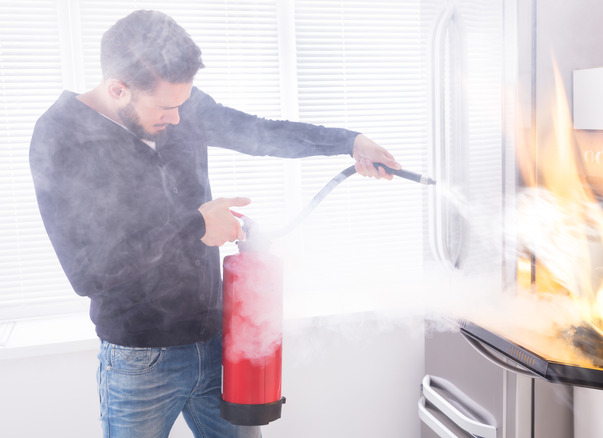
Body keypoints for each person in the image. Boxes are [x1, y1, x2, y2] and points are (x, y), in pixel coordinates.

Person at [29, 9, 400, 438]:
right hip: (140, 361)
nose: (179, 120)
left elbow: (258, 133)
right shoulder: (60, 137)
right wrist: (196, 228)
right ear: (118, 89)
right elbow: (89, 272)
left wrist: (349, 142)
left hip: (217, 345)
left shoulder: (178, 102)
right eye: (166, 108)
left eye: (183, 104)